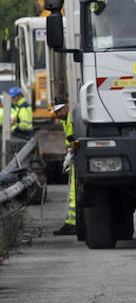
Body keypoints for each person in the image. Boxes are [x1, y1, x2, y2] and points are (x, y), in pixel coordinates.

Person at [51, 99, 77, 236]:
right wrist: (68, 154)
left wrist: (71, 154)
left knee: (74, 190)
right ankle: (71, 222)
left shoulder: (72, 118)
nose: (57, 115)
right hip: (75, 155)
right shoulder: (64, 120)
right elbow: (69, 141)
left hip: (78, 154)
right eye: (56, 113)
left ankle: (73, 223)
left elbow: (76, 140)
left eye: (59, 111)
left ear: (66, 107)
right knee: (72, 190)